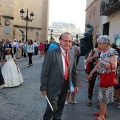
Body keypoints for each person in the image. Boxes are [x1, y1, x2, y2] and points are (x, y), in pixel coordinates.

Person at [40, 32, 79, 120]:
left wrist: (75, 84)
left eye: (70, 41)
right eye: (65, 41)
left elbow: (73, 71)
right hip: (52, 86)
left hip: (65, 86)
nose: (67, 43)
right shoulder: (51, 53)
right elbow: (44, 72)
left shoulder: (72, 53)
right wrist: (43, 87)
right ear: (60, 41)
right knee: (51, 108)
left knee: (60, 108)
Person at [88, 35, 118, 120]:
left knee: (103, 97)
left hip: (107, 77)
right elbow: (98, 64)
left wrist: (103, 62)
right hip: (100, 76)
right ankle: (103, 112)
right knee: (101, 96)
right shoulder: (103, 52)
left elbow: (114, 66)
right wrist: (91, 73)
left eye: (100, 43)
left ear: (106, 43)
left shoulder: (112, 52)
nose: (98, 46)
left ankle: (101, 116)